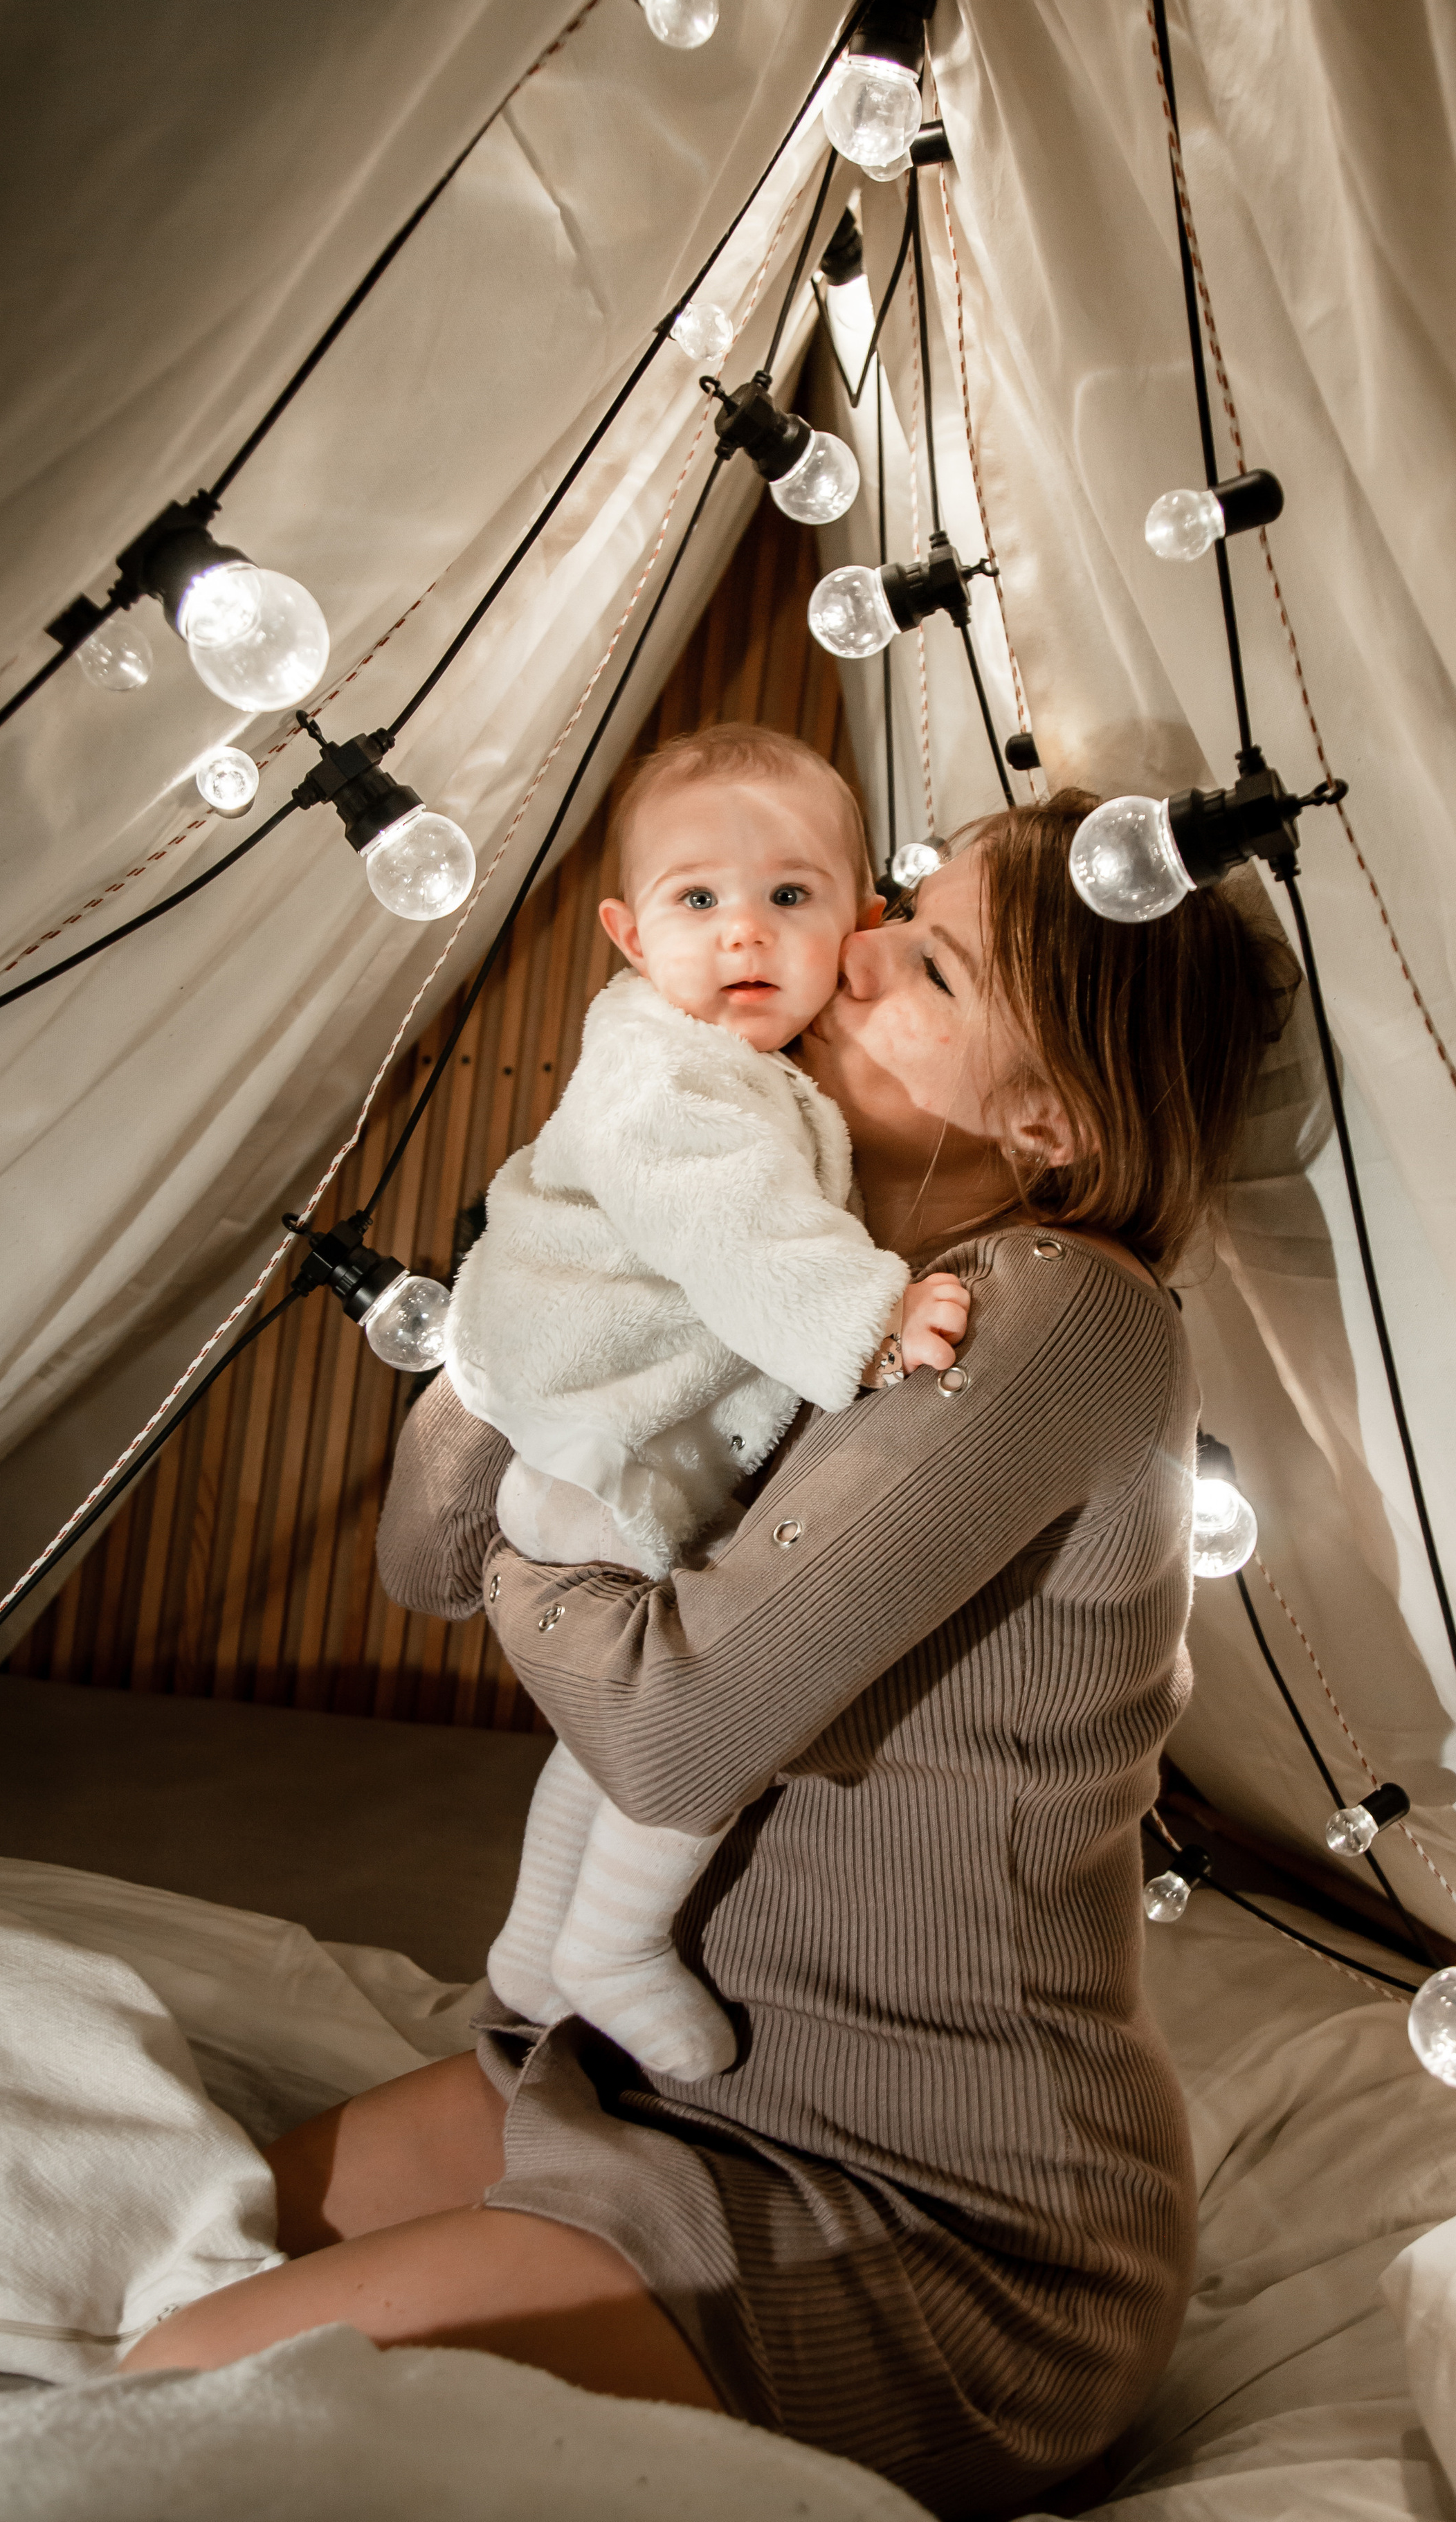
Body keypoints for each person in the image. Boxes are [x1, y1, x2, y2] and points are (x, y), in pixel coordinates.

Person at [125, 786, 1296, 2521]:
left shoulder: (1055, 1309)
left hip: (942, 2224)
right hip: (652, 2084)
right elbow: (423, 1567)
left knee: (169, 2420)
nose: (839, 959)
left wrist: (555, 1498)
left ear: (1048, 1118)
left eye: (931, 971)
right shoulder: (791, 1272)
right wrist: (557, 1256)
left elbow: (667, 1734)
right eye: (886, 909)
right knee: (165, 2280)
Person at [446, 725, 967, 2083]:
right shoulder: (665, 1075)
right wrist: (870, 1317)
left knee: (595, 1738)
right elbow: (729, 1224)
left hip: (597, 1449)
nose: (744, 934)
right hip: (595, 1452)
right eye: (698, 901)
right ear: (628, 934)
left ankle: (531, 1951)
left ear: (855, 919)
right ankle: (612, 1951)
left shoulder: (744, 1068)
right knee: (694, 1729)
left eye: (789, 897)